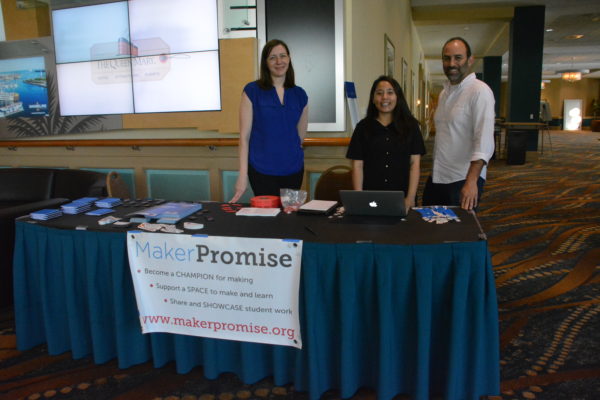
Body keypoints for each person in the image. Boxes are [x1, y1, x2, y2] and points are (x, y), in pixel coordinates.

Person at [230, 39, 309, 202]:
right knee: (268, 221)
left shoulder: (300, 95)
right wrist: (242, 175)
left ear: (289, 59)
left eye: (283, 56)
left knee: (289, 217)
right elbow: (244, 138)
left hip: (294, 169)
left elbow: (300, 136)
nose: (279, 61)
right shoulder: (252, 91)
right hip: (261, 170)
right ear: (265, 62)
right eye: (272, 57)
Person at [422, 37, 495, 211]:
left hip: (462, 179)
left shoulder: (480, 91)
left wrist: (471, 182)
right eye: (447, 58)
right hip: (438, 176)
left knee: (458, 234)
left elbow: (484, 142)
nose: (451, 63)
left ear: (470, 60)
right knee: (429, 226)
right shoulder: (444, 93)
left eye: (458, 57)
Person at [346, 76, 425, 210]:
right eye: (379, 93)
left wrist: (410, 198)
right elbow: (358, 165)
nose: (384, 98)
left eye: (390, 92)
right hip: (370, 197)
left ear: (397, 96)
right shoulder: (362, 128)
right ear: (373, 98)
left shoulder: (411, 126)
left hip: (402, 196)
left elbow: (414, 164)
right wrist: (359, 198)